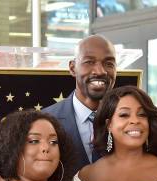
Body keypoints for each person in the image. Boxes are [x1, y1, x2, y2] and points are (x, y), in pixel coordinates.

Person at [43, 34, 117, 171]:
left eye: (109, 64)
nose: (100, 71)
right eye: (89, 62)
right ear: (72, 68)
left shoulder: (128, 120)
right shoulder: (45, 120)